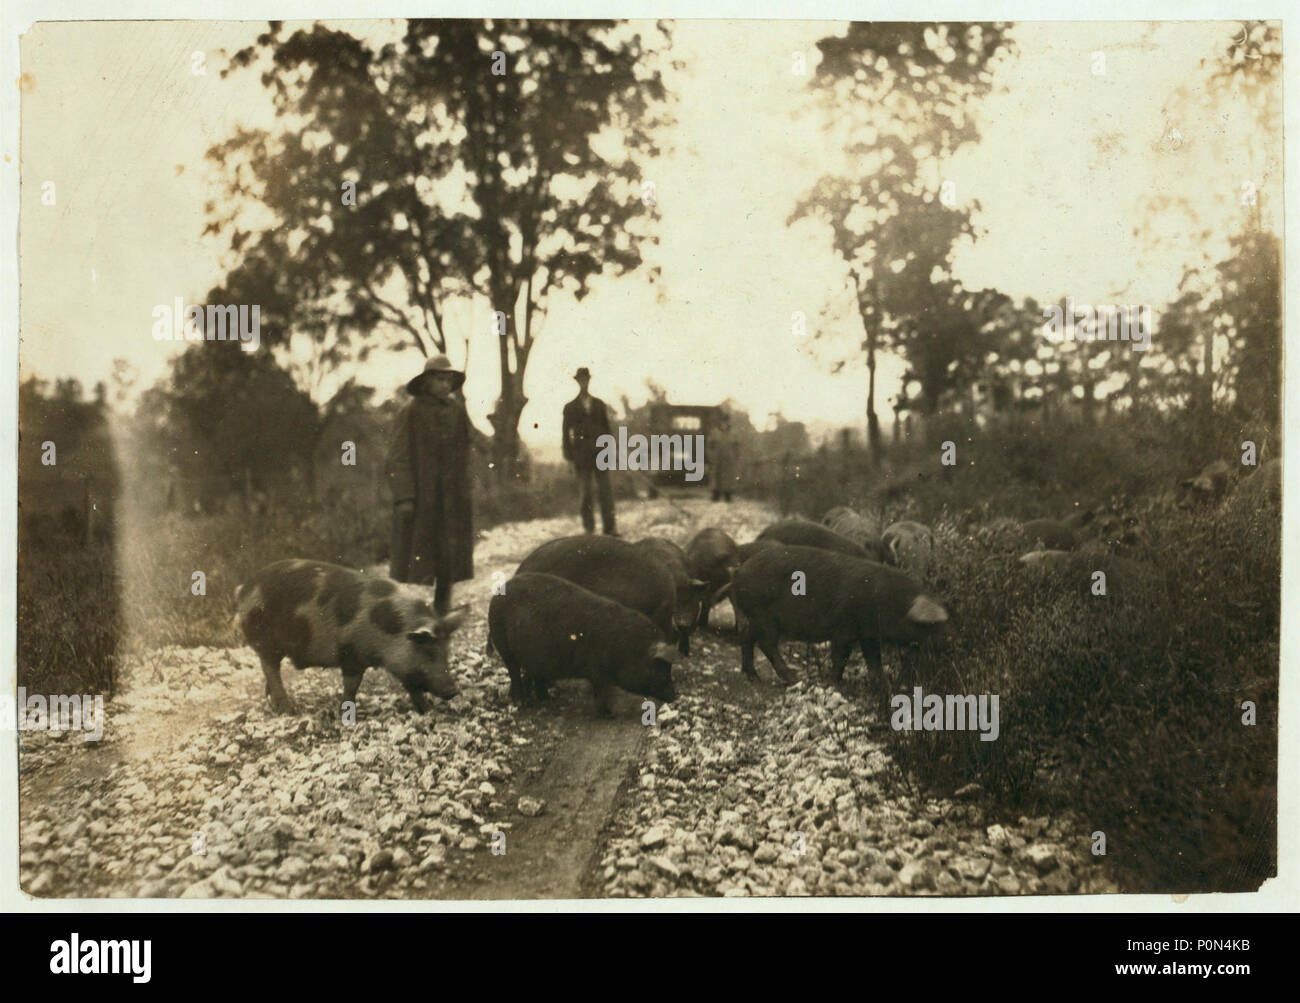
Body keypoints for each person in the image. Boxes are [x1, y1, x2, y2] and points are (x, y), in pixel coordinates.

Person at [386, 354, 474, 613]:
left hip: (452, 498)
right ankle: (406, 615)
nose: (445, 384)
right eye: (439, 379)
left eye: (448, 379)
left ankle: (441, 612)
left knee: (448, 559)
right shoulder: (411, 411)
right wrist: (404, 497)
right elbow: (397, 457)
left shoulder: (457, 410)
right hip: (422, 498)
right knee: (414, 560)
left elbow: (467, 446)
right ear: (426, 382)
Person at [562, 367, 616, 535]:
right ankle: (589, 529)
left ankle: (610, 528)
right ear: (577, 382)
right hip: (581, 457)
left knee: (605, 492)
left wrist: (610, 452)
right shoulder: (570, 407)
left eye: (586, 379)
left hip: (600, 455)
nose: (584, 383)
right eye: (581, 380)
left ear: (589, 381)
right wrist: (569, 458)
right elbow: (566, 434)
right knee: (585, 494)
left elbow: (607, 430)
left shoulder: (599, 405)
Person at [711, 410, 741, 502]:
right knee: (716, 477)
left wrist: (736, 456)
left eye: (726, 421)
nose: (724, 423)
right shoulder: (715, 432)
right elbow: (710, 445)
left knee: (729, 477)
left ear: (728, 422)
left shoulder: (733, 433)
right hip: (717, 458)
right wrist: (711, 456)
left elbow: (737, 446)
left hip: (729, 459)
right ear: (720, 422)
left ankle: (728, 495)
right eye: (722, 421)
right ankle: (715, 495)